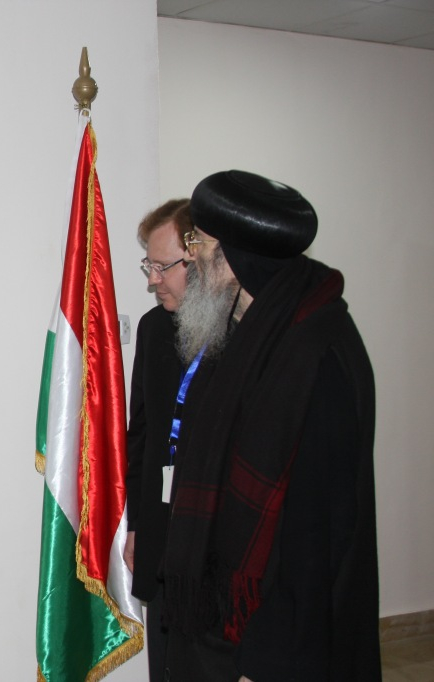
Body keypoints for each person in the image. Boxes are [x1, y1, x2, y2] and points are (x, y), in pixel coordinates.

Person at [160, 170, 380, 681]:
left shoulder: (313, 352)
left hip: (276, 638)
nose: (191, 256)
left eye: (199, 242)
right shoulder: (247, 331)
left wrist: (265, 663)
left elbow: (313, 531)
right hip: (229, 617)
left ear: (237, 258)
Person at [124, 198, 191, 682]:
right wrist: (136, 524)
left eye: (162, 267)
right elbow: (143, 434)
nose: (152, 280)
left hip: (211, 537)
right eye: (148, 265)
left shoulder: (242, 334)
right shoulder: (152, 329)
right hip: (161, 525)